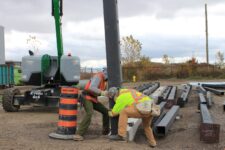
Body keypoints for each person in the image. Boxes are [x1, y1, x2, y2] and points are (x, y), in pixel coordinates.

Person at [73, 68, 109, 141]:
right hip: (86, 97)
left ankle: (105, 131)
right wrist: (102, 92)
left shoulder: (104, 80)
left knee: (106, 112)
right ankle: (78, 134)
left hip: (93, 98)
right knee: (89, 113)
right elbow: (91, 88)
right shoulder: (98, 76)